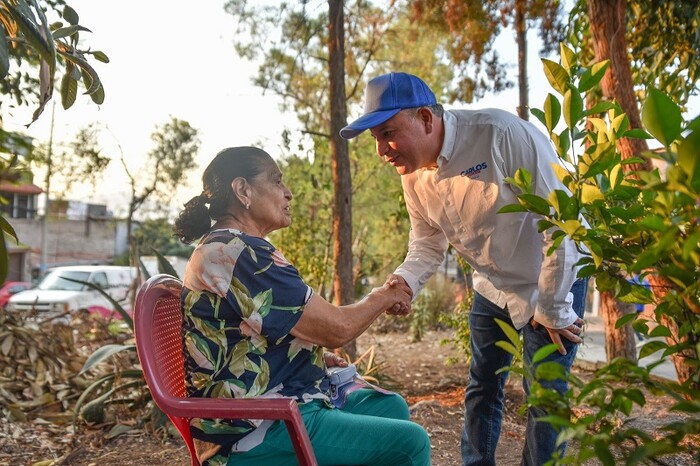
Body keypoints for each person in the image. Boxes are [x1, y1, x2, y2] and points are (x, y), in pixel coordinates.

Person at [340, 72, 588, 466]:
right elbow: (427, 242)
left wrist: (554, 308)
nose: (381, 150)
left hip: (553, 277)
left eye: (387, 133)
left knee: (545, 396)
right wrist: (403, 282)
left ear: (425, 118)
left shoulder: (501, 133)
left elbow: (564, 224)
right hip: (491, 286)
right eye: (374, 139)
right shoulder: (414, 174)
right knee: (483, 386)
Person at [173, 146, 430, 466]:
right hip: (250, 430)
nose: (288, 192)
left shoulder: (233, 248)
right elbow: (337, 328)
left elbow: (268, 331)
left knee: (391, 409)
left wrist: (308, 355)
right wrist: (385, 296)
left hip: (275, 405)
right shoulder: (236, 252)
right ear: (243, 190)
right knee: (410, 443)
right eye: (276, 181)